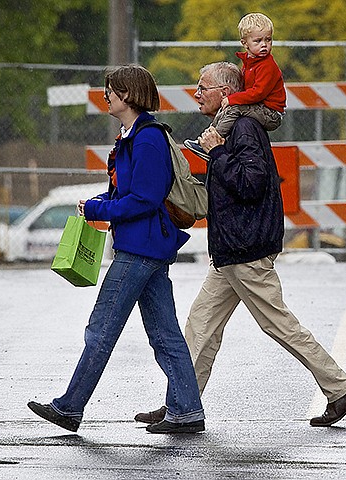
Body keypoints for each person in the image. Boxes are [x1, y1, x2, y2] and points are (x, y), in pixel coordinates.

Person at [135, 62, 346, 428]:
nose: (197, 94)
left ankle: (341, 389)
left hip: (245, 249)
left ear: (226, 93)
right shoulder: (233, 127)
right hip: (230, 250)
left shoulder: (244, 127)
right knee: (200, 327)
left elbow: (252, 182)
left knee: (279, 324)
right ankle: (181, 405)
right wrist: (218, 152)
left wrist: (217, 153)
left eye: (203, 87)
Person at [28, 65, 205, 435]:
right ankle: (187, 411)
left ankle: (69, 408)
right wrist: (98, 200)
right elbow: (125, 191)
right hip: (146, 247)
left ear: (127, 95)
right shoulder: (130, 135)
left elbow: (145, 198)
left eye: (110, 90)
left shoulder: (148, 138)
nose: (105, 95)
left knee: (101, 329)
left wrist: (99, 210)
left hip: (140, 248)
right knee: (165, 334)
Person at [184, 12, 285, 161]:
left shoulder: (267, 66)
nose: (264, 45)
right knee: (227, 108)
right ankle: (206, 140)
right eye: (258, 41)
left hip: (270, 113)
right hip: (260, 108)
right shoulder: (250, 64)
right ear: (245, 43)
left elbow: (259, 93)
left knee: (235, 107)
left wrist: (232, 98)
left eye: (268, 40)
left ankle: (212, 143)